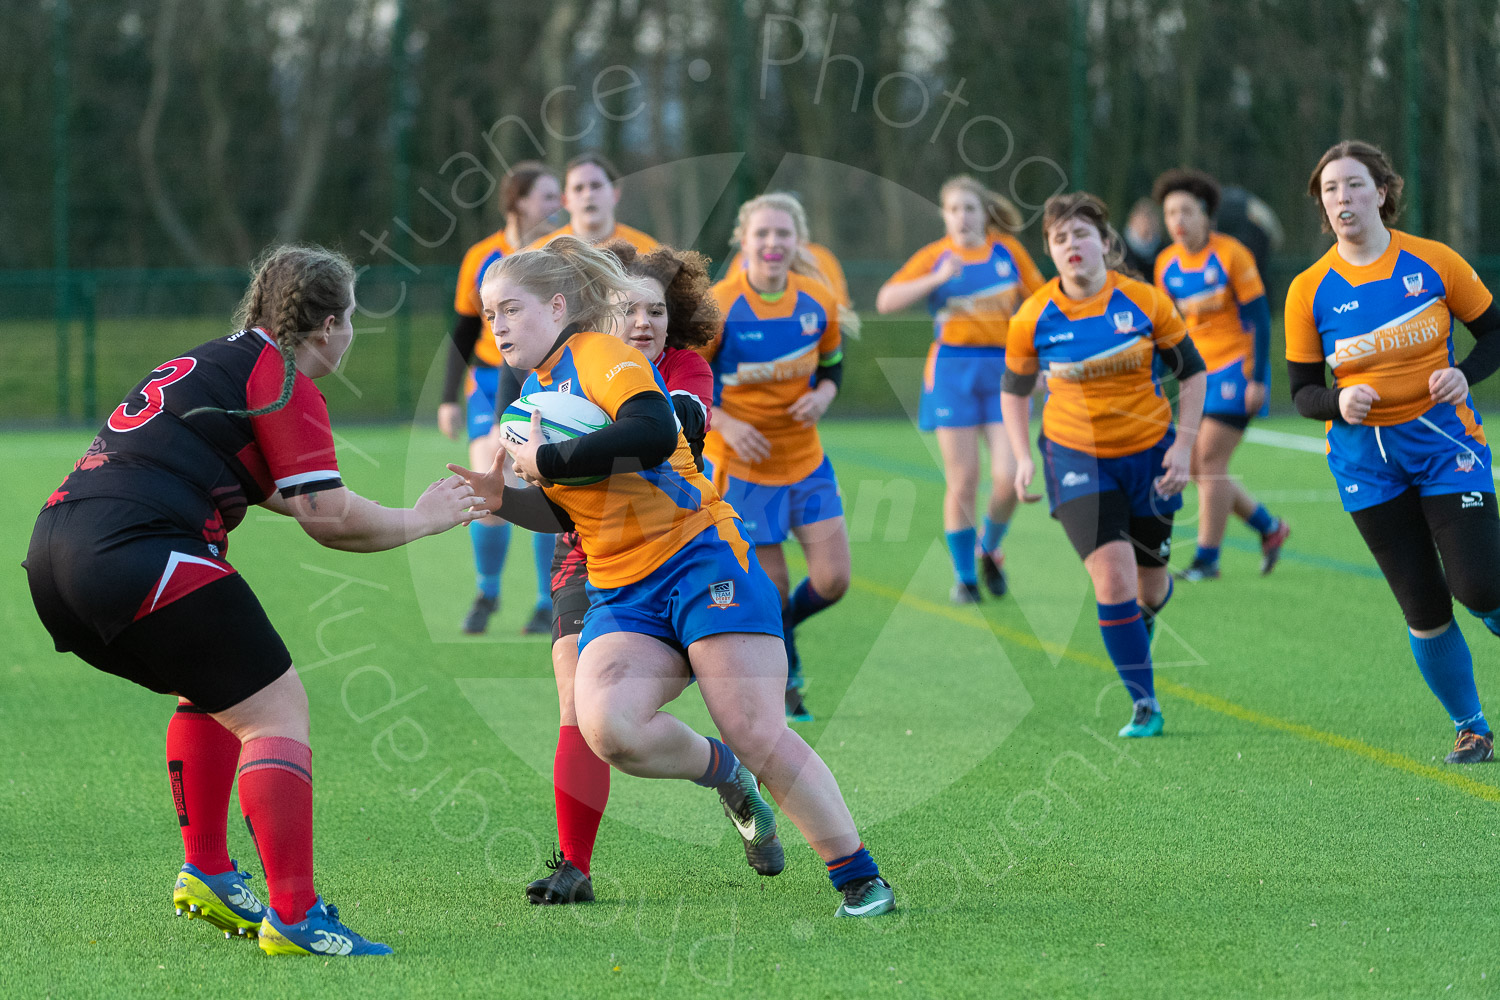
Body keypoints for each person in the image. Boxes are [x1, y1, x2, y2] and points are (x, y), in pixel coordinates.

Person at [24, 246, 485, 956]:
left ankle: (208, 868)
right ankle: (296, 917)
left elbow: (283, 495)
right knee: (275, 708)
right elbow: (327, 518)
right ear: (328, 323)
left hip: (54, 555)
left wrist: (405, 514)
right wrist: (423, 518)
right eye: (352, 318)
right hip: (133, 548)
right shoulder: (282, 376)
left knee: (214, 686)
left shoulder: (219, 359)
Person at [450, 237, 894, 917]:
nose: (498, 324)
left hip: (702, 559)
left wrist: (549, 456)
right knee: (609, 728)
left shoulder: (604, 357)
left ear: (560, 305)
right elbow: (562, 504)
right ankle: (726, 775)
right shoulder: (531, 400)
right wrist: (503, 498)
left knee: (753, 724)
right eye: (489, 313)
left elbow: (656, 431)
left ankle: (859, 877)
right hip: (623, 590)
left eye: (511, 308)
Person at [1285, 139, 1500, 764]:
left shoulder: (1434, 262)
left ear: (1382, 192)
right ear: (1322, 209)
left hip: (1444, 444)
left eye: (1353, 184)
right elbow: (1301, 392)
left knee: (1481, 585)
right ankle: (1471, 726)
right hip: (1365, 464)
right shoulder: (1309, 289)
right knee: (1424, 603)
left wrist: (1464, 373)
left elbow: (1494, 334)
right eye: (1329, 190)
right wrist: (1338, 401)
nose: (1342, 198)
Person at [525, 240, 720, 905]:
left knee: (735, 708)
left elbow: (685, 417)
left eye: (655, 311)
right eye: (626, 309)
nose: (642, 323)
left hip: (671, 549)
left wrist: (673, 419)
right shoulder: (563, 373)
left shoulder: (678, 370)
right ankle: (574, 866)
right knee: (573, 695)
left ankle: (726, 767)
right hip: (585, 547)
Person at [1000, 193, 1206, 739]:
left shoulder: (1145, 301)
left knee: (1151, 588)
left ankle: (1135, 631)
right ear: (1049, 251)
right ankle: (1145, 704)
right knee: (1112, 579)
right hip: (1074, 459)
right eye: (1059, 238)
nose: (1072, 245)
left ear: (1106, 244)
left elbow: (1193, 373)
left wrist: (1184, 448)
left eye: (1081, 234)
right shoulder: (1033, 317)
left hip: (1150, 456)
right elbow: (1015, 391)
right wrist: (1022, 456)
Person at [704, 192, 848, 723]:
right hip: (742, 469)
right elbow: (685, 387)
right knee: (774, 587)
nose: (772, 243)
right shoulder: (719, 305)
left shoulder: (818, 300)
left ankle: (784, 633)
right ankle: (786, 683)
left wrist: (825, 395)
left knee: (834, 580)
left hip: (807, 461)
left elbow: (833, 365)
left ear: (797, 241)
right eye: (762, 233)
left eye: (782, 234)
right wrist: (729, 422)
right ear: (743, 239)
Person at [876, 175, 1045, 602]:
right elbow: (886, 300)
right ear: (944, 215)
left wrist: (1043, 363)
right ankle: (965, 578)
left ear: (985, 213)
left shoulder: (1008, 252)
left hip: (1004, 371)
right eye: (954, 209)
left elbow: (1045, 304)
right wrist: (936, 280)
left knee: (1009, 479)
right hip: (952, 372)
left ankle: (989, 546)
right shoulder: (935, 258)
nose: (963, 217)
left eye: (970, 208)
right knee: (964, 479)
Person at [1152, 168, 1290, 581]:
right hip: (1198, 375)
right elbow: (1167, 331)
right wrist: (1153, 377)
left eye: (1186, 211)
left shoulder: (1231, 254)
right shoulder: (1165, 264)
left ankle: (1207, 560)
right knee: (1197, 467)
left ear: (1206, 215)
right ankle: (1269, 527)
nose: (1177, 220)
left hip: (1236, 368)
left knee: (1209, 460)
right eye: (1170, 212)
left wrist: (1258, 380)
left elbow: (1260, 321)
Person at [443, 162, 562, 635]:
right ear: (519, 201)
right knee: (487, 481)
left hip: (541, 377)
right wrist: (448, 397)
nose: (558, 206)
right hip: (489, 381)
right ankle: (487, 592)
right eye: (548, 197)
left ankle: (543, 600)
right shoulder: (481, 256)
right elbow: (465, 330)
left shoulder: (557, 252)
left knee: (537, 482)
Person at [531, 152, 659, 253]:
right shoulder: (541, 253)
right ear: (565, 201)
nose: (588, 195)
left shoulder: (647, 250)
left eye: (596, 186)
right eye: (578, 188)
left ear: (615, 194)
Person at [1122, 197, 1168, 279]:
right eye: (1144, 216)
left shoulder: (1166, 253)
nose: (1148, 222)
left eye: (1152, 216)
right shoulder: (1118, 250)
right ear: (1132, 220)